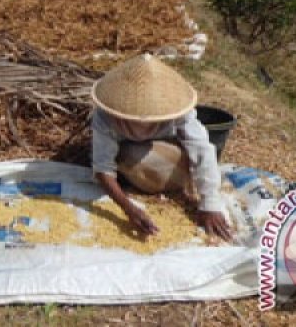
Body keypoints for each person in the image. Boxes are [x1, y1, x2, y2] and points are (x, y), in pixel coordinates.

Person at [90, 53, 232, 240]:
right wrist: (129, 208)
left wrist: (210, 203)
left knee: (140, 157)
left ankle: (168, 183)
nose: (141, 124)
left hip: (170, 155)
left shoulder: (177, 112)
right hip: (128, 155)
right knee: (130, 155)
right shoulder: (105, 117)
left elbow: (202, 150)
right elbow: (103, 168)